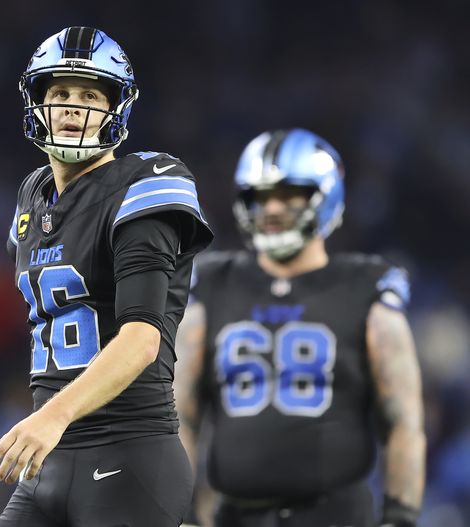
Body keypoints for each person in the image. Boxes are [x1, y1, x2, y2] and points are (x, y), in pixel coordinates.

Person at [0, 26, 214, 527]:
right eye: (59, 93)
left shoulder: (143, 185)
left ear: (117, 109)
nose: (72, 107)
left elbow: (140, 340)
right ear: (36, 103)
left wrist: (51, 416)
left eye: (90, 95)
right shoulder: (34, 195)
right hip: (48, 463)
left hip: (127, 454)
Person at [177, 128, 425, 527]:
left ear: (325, 195)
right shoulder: (212, 282)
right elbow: (178, 412)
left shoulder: (367, 286)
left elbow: (404, 422)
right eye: (260, 197)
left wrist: (400, 516)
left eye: (288, 195)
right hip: (236, 515)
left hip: (335, 515)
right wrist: (182, 514)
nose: (272, 209)